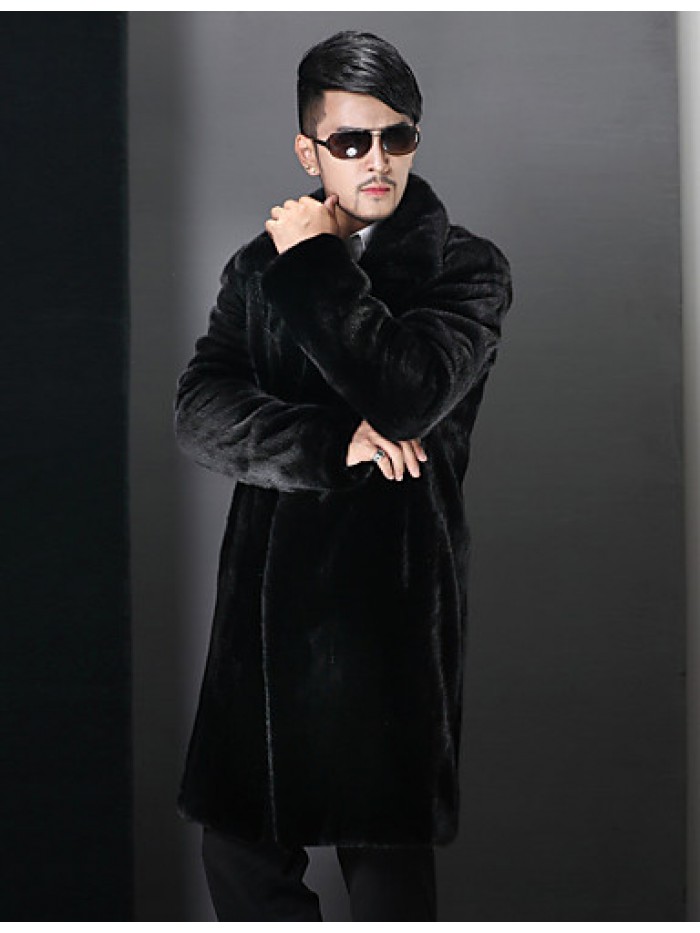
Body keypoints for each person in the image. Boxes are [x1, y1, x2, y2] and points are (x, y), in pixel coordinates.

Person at [173, 29, 513, 921]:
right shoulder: (256, 269)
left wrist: (316, 260)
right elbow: (200, 410)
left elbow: (407, 393)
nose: (377, 160)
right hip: (262, 618)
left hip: (386, 613)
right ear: (309, 151)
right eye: (352, 140)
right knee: (239, 857)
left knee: (385, 875)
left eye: (396, 136)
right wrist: (334, 443)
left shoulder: (464, 267)